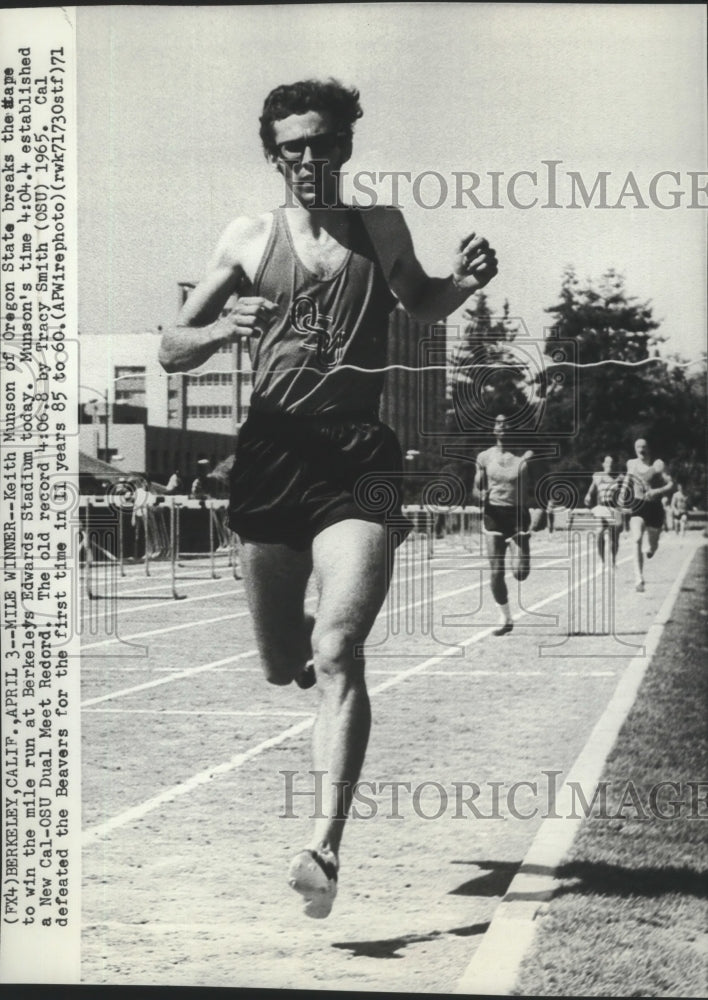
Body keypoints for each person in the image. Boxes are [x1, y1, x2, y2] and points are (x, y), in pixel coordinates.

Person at [158, 78, 498, 918]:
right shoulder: (248, 235)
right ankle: (306, 675)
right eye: (294, 146)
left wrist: (462, 281)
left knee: (340, 646)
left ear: (346, 145)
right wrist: (215, 331)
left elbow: (420, 302)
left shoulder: (379, 228)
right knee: (285, 665)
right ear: (273, 154)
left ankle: (324, 845)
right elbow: (169, 351)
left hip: (359, 456)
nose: (310, 158)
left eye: (324, 142)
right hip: (272, 457)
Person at [474, 414, 533, 637]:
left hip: (517, 515)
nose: (503, 427)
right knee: (496, 572)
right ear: (494, 430)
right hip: (493, 514)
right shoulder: (484, 457)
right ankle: (505, 617)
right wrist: (480, 495)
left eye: (508, 424)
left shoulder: (522, 459)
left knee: (520, 573)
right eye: (499, 424)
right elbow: (475, 489)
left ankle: (524, 544)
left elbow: (530, 492)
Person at [621, 438, 673, 592]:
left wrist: (657, 491)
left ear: (649, 448)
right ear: (635, 448)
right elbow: (627, 480)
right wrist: (622, 495)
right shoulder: (631, 464)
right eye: (638, 446)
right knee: (636, 538)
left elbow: (671, 484)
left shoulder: (658, 465)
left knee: (651, 548)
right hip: (638, 506)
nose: (641, 449)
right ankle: (639, 579)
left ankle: (652, 548)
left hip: (655, 508)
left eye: (644, 446)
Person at [584, 454, 622, 567]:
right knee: (599, 532)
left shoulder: (618, 478)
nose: (609, 465)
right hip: (601, 508)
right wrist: (588, 495)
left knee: (614, 538)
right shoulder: (597, 476)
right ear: (603, 464)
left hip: (612, 508)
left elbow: (622, 493)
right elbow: (592, 488)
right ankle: (602, 560)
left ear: (613, 465)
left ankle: (613, 559)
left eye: (611, 463)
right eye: (607, 462)